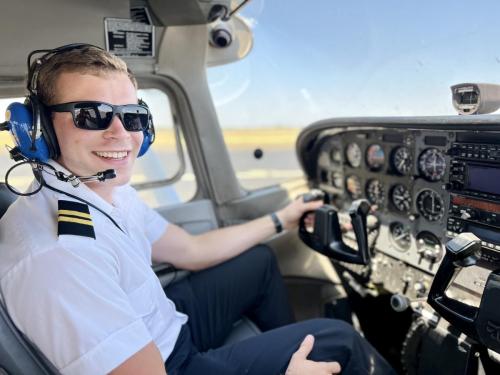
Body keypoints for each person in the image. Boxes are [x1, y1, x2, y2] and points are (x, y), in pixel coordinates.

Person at [0, 45, 395, 375]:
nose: (121, 134)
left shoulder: (99, 188)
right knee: (340, 339)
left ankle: (295, 346)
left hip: (159, 325)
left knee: (258, 261)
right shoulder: (61, 255)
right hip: (171, 364)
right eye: (91, 115)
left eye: (132, 116)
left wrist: (282, 219)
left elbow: (191, 251)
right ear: (38, 130)